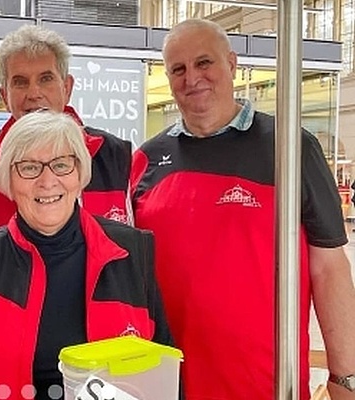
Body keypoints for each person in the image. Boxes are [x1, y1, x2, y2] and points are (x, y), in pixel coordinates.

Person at [130, 19, 355, 400]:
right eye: (178, 69)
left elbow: (329, 267)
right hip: (167, 381)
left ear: (232, 64)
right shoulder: (147, 160)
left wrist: (345, 378)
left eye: (204, 63)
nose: (192, 78)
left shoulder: (290, 148)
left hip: (263, 383)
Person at [0, 111, 173, 400]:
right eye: (29, 168)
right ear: (8, 181)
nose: (47, 181)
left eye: (62, 165)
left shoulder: (131, 251)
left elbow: (163, 358)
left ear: (80, 175)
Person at [0, 25, 133, 234]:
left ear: (67, 88)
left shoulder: (114, 153)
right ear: (5, 97)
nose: (34, 93)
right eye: (20, 82)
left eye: (46, 79)